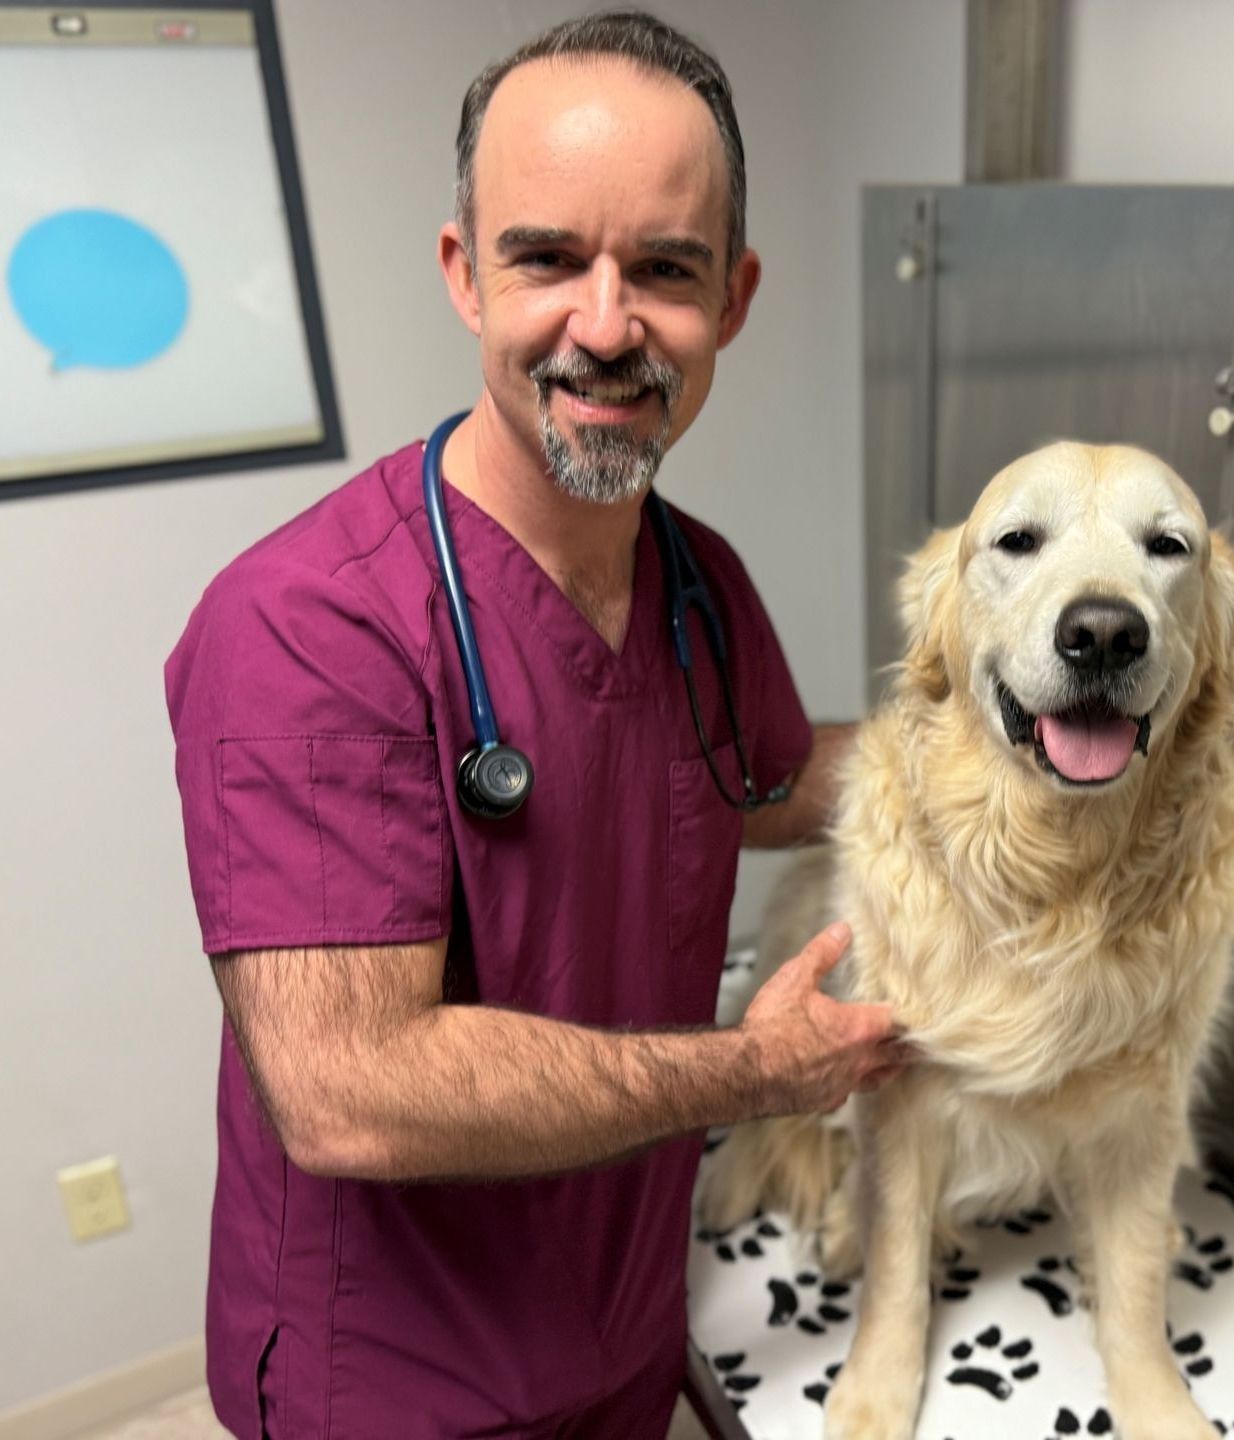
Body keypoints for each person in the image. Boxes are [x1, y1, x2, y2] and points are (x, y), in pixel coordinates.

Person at [165, 11, 903, 1439]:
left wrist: (1022, 751)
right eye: (549, 257)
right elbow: (352, 1092)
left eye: (668, 270)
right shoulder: (308, 627)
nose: (609, 325)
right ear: (465, 274)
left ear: (734, 299)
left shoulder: (696, 584)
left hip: (625, 1332)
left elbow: (744, 781)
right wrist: (761, 1070)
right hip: (393, 1387)